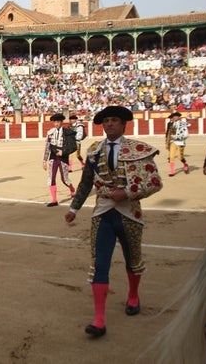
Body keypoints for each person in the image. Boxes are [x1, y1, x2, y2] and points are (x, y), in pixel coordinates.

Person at [64, 106, 163, 338]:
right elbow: (86, 182)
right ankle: (99, 319)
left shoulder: (138, 149)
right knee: (99, 264)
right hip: (102, 213)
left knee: (133, 259)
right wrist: (74, 208)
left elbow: (155, 181)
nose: (109, 124)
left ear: (123, 124)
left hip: (129, 213)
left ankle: (133, 295)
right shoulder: (94, 150)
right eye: (106, 120)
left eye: (114, 120)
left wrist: (128, 192)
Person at [42, 113, 76, 207]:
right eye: (55, 122)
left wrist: (63, 152)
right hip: (53, 157)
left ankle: (72, 190)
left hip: (63, 158)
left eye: (58, 121)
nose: (56, 123)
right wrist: (44, 161)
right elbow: (47, 147)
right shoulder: (50, 133)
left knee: (64, 179)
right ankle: (54, 200)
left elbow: (73, 147)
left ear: (61, 122)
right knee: (51, 178)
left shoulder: (68, 132)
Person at [164, 111, 190, 176]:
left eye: (176, 116)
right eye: (173, 116)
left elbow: (186, 135)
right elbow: (170, 134)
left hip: (180, 142)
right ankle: (172, 172)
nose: (174, 117)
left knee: (180, 157)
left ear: (179, 117)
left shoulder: (183, 124)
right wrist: (167, 143)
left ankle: (185, 164)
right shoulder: (172, 124)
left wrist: (178, 137)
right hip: (173, 142)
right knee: (171, 157)